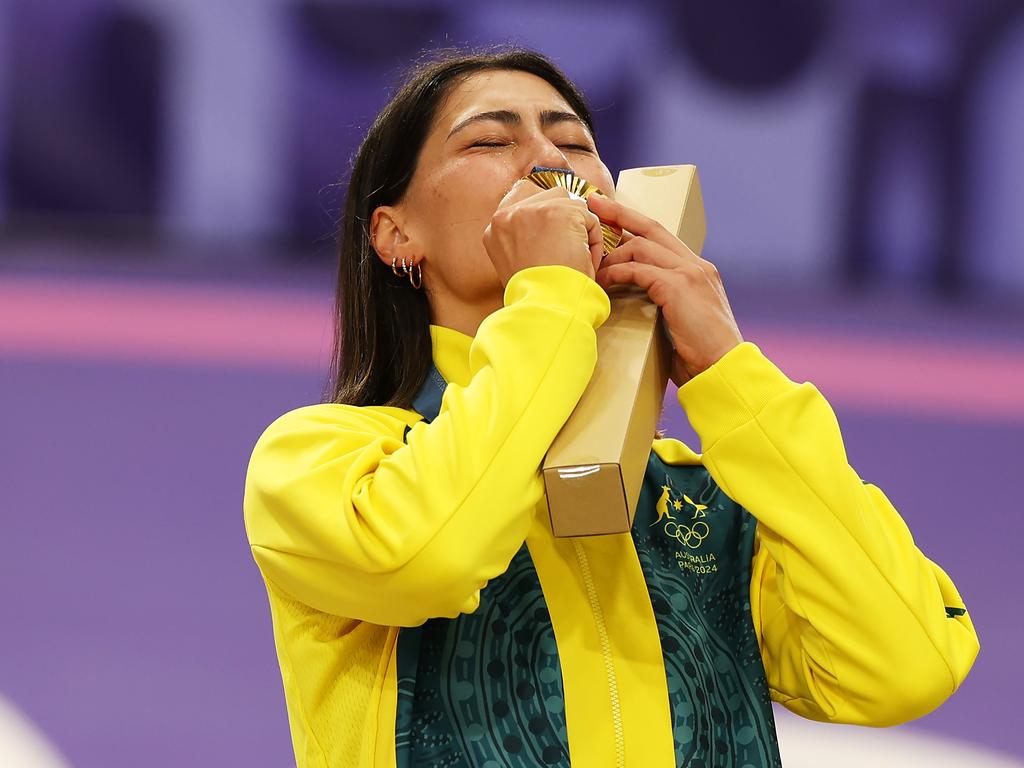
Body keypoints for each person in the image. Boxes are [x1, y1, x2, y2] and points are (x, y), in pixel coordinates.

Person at [242, 47, 979, 768]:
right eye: (491, 140)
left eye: (574, 143)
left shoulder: (704, 500)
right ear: (395, 233)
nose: (549, 163)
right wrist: (554, 299)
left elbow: (906, 668)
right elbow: (425, 559)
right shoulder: (323, 460)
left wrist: (730, 373)